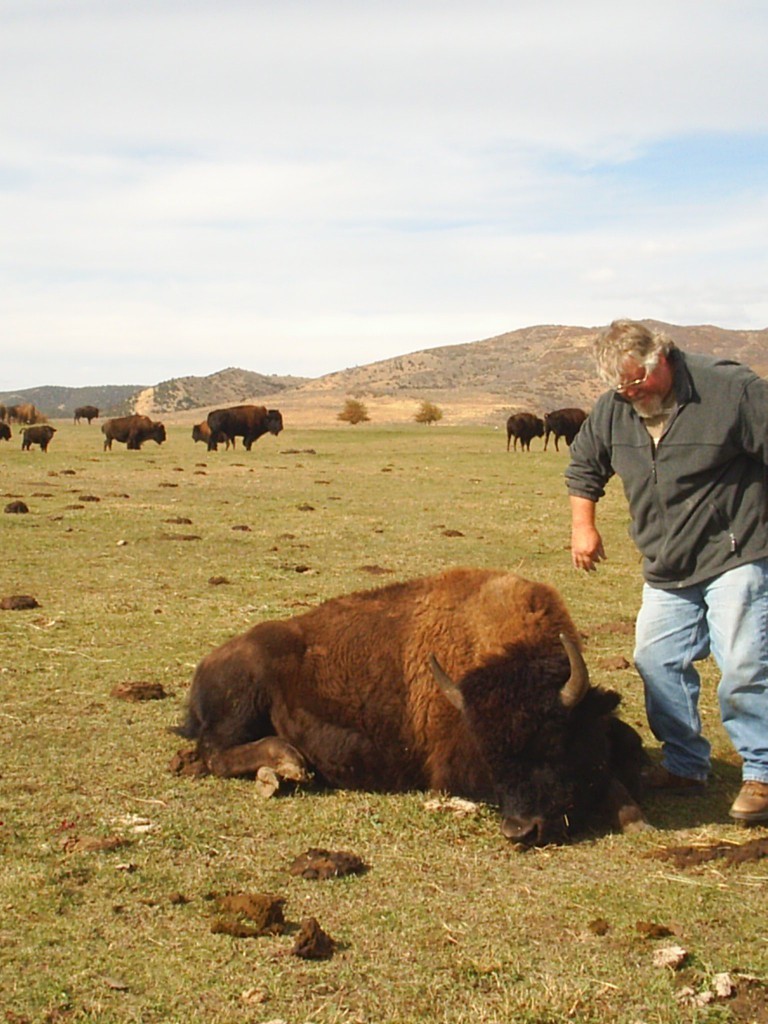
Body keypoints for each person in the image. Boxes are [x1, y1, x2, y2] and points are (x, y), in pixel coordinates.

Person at [565, 318, 768, 823]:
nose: (632, 393)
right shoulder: (617, 408)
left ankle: (761, 774)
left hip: (736, 553)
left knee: (744, 664)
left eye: (639, 382)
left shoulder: (732, 391)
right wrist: (582, 527)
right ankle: (685, 765)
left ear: (664, 360)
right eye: (621, 386)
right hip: (666, 564)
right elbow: (585, 465)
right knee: (655, 662)